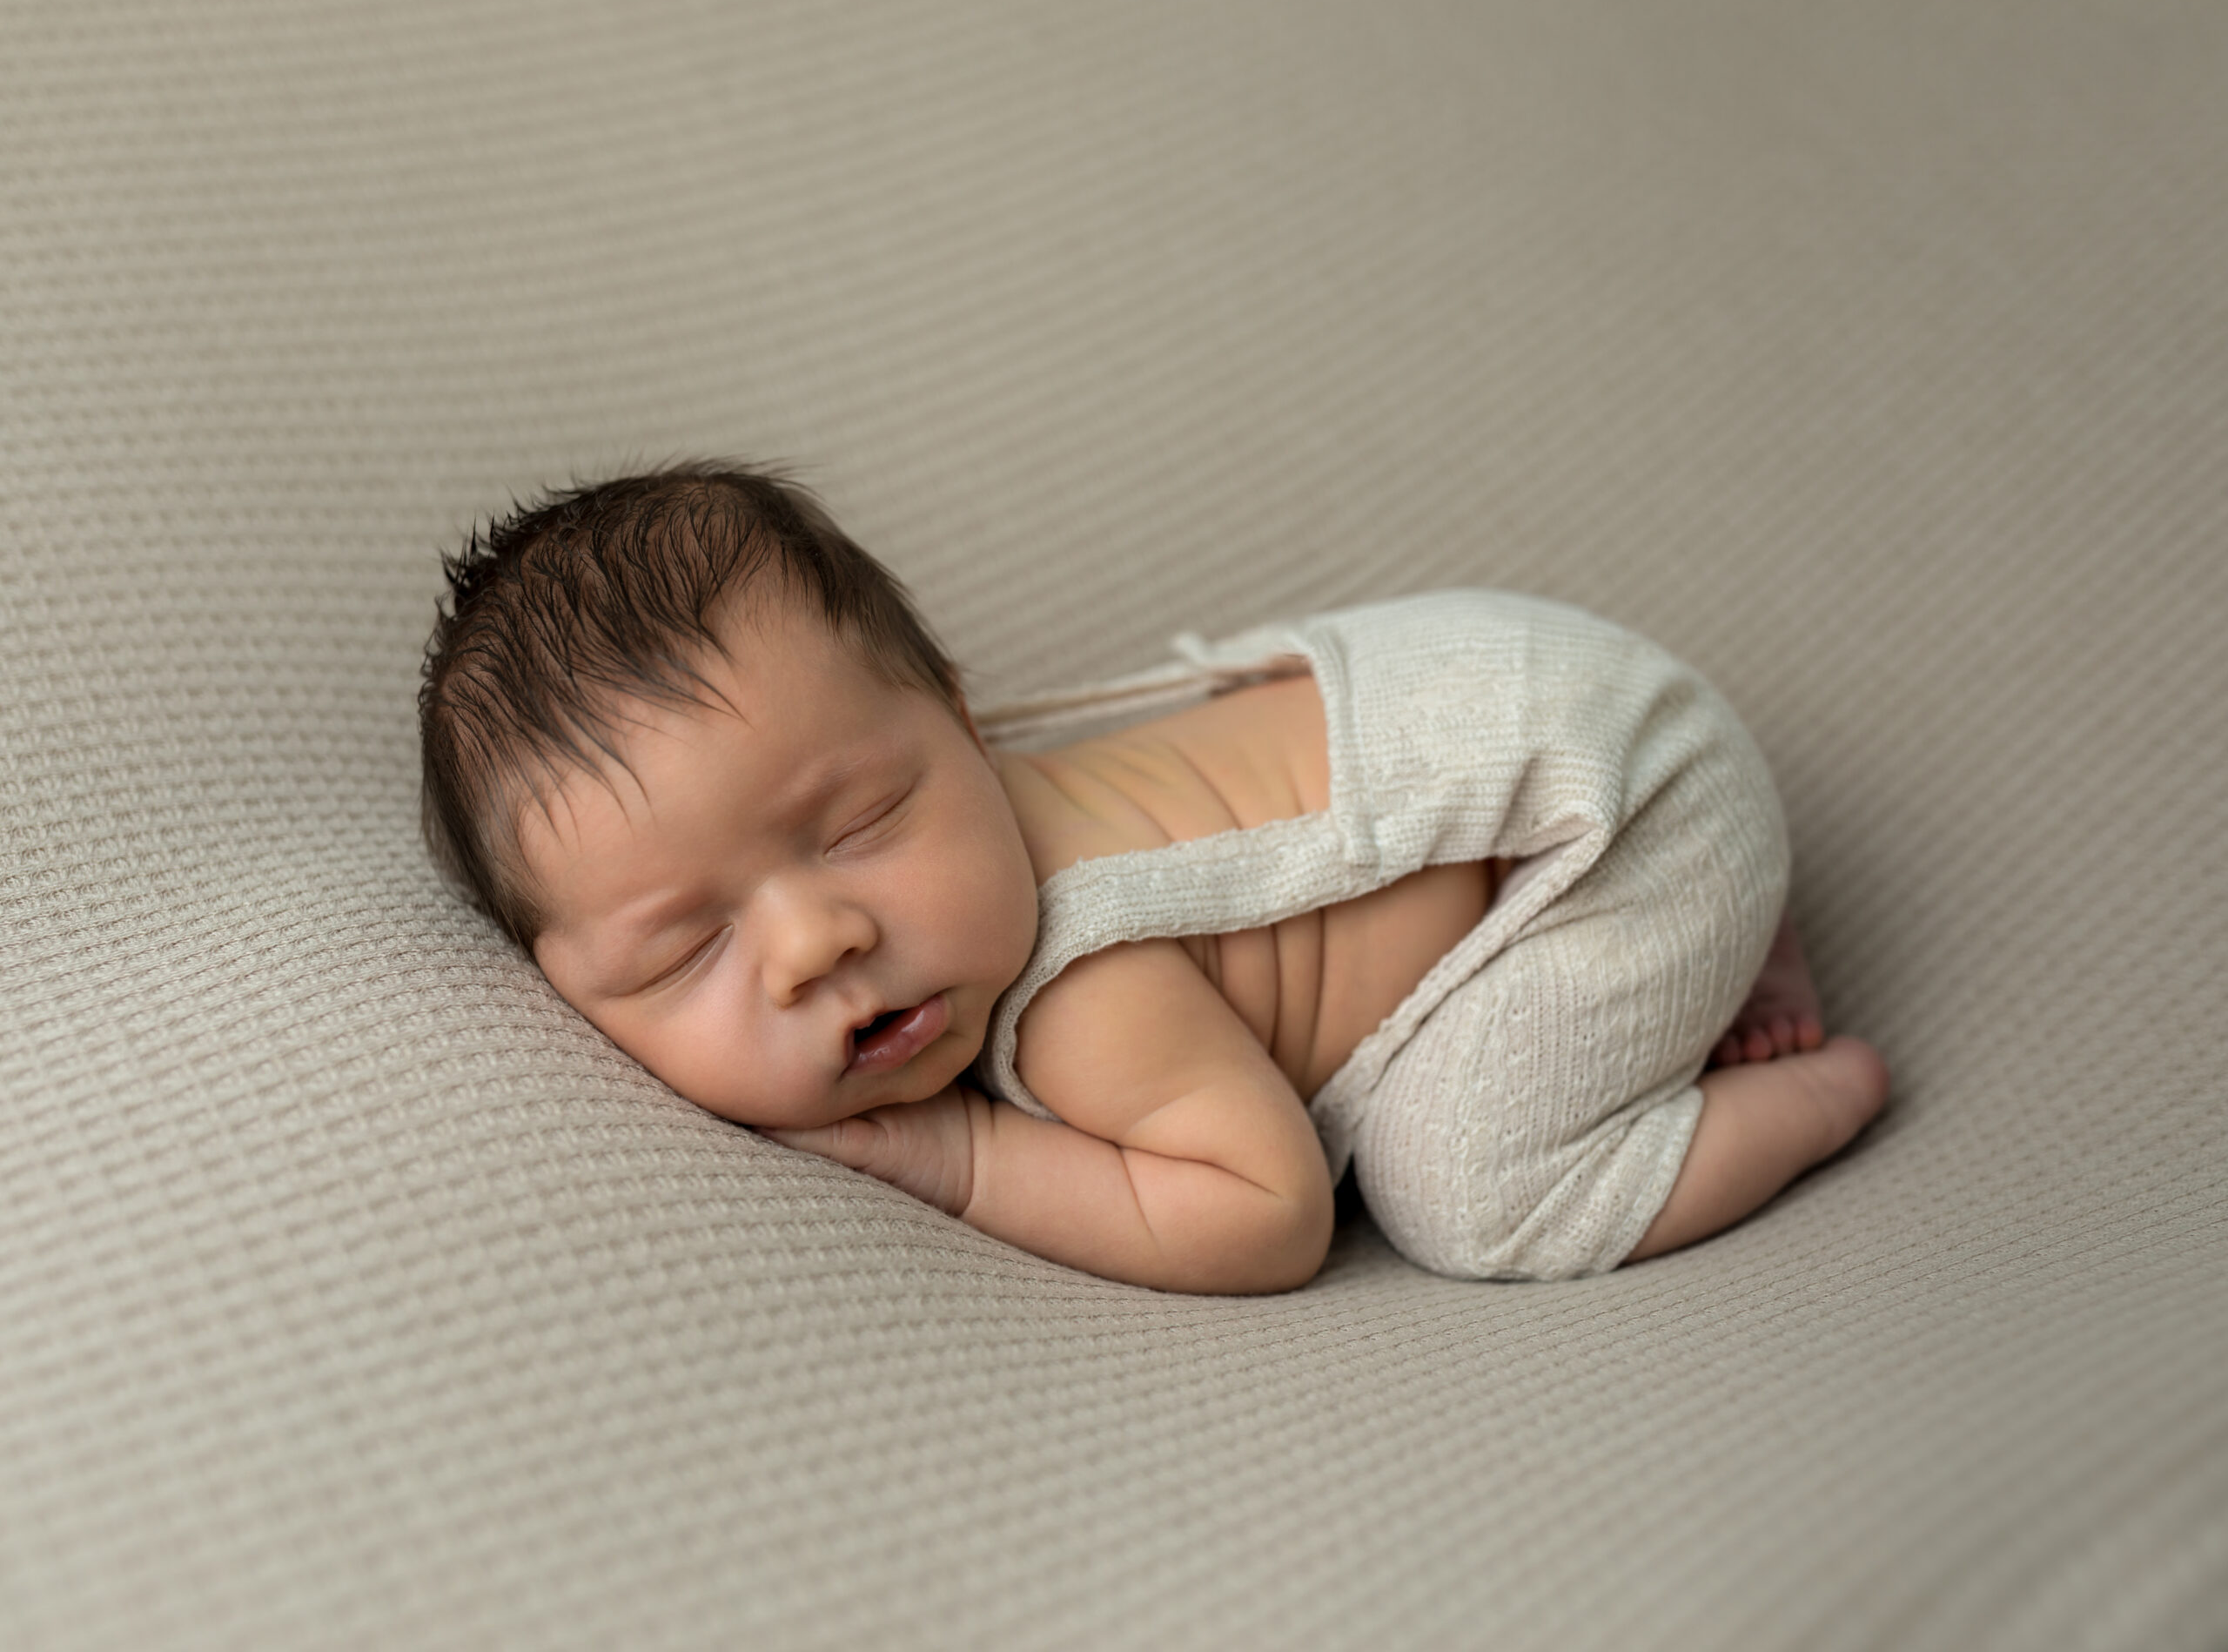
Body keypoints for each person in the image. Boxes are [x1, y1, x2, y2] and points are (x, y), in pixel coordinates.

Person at [419, 463, 1887, 1294]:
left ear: (961, 716)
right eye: (684, 951)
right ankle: (1715, 933)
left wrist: (963, 1158)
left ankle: (1800, 1080)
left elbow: (1270, 1215)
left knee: (1466, 1200)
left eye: (860, 821)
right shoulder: (955, 830)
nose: (814, 941)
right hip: (1534, 693)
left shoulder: (1079, 999)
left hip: (1618, 805)